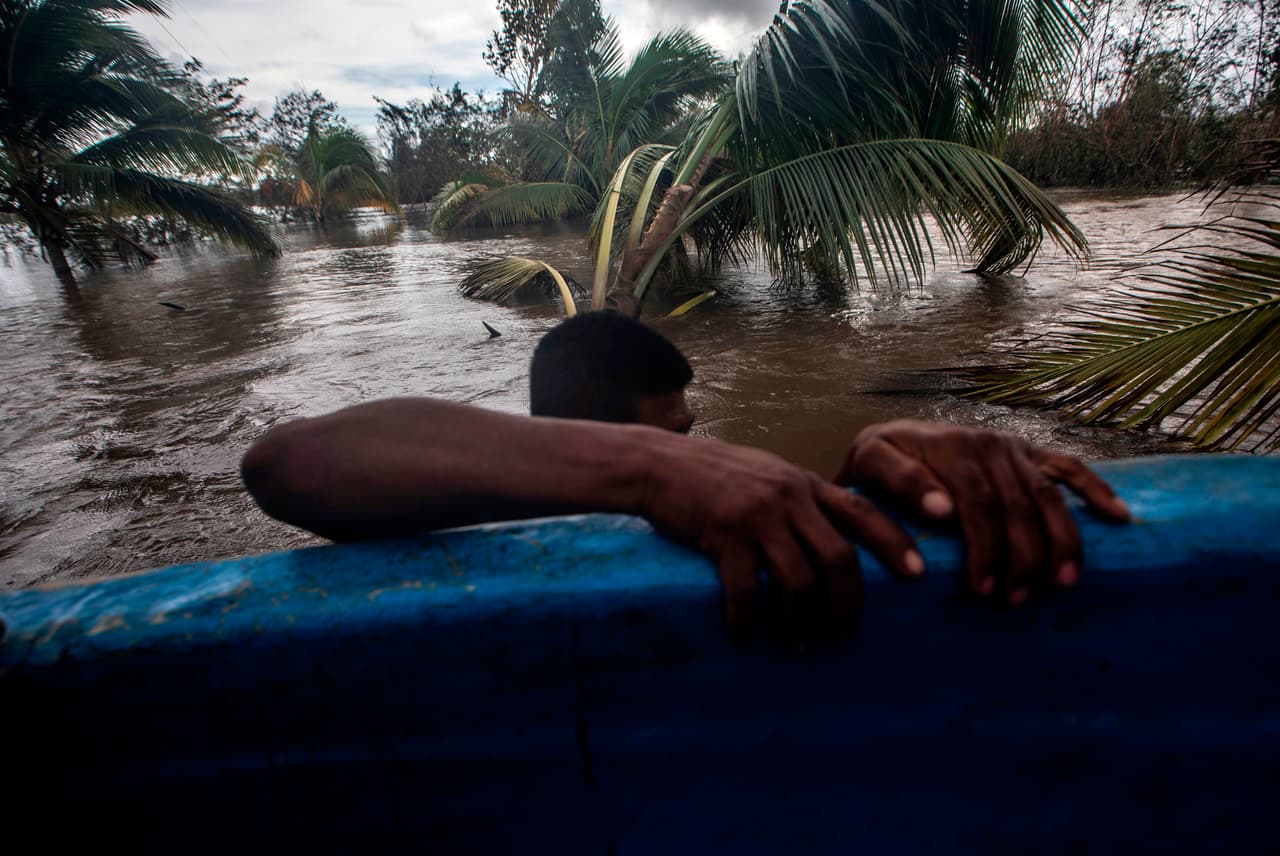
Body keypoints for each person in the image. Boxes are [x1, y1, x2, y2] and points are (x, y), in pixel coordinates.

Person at [241, 313, 1130, 639]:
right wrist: (652, 471)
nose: (693, 452)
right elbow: (287, 463)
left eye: (688, 438)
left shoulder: (724, 504)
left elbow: (781, 515)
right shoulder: (466, 504)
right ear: (594, 428)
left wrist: (868, 467)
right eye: (673, 433)